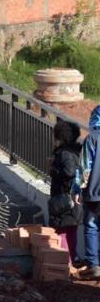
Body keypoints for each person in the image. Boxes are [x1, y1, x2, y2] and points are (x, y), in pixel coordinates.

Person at [50, 119, 83, 264]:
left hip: (64, 197)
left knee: (62, 229)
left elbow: (69, 172)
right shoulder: (77, 150)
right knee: (71, 229)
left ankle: (65, 261)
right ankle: (72, 257)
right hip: (74, 197)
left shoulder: (64, 153)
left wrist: (53, 168)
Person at [81, 107, 100, 278]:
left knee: (92, 226)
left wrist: (78, 189)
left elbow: (85, 167)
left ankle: (94, 265)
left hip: (94, 191)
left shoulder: (92, 139)